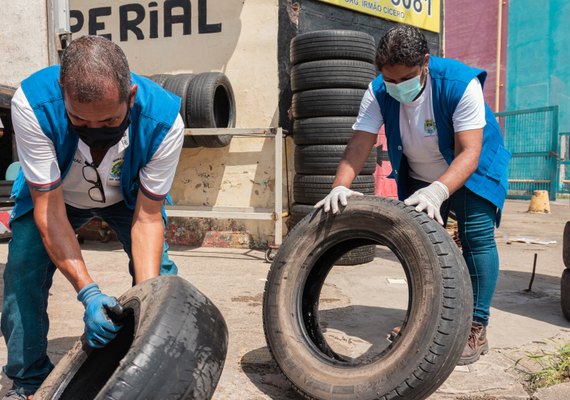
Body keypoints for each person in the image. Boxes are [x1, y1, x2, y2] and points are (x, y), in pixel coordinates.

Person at [315, 25, 511, 366]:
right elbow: (361, 141)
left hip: (471, 166)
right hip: (420, 170)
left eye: (404, 78)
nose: (396, 88)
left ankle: (475, 326)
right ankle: (428, 319)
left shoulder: (459, 84)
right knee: (421, 241)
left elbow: (469, 151)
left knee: (475, 237)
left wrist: (438, 190)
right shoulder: (379, 90)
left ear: (425, 62)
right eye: (389, 80)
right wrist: (340, 185)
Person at [2, 36, 184, 399]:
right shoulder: (32, 104)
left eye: (109, 119)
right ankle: (29, 381)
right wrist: (89, 293)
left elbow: (148, 219)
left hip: (128, 196)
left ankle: (155, 360)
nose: (95, 130)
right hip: (57, 196)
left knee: (160, 282)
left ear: (130, 96)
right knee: (23, 270)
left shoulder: (164, 122)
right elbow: (50, 210)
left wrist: (146, 303)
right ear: (61, 93)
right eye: (79, 119)